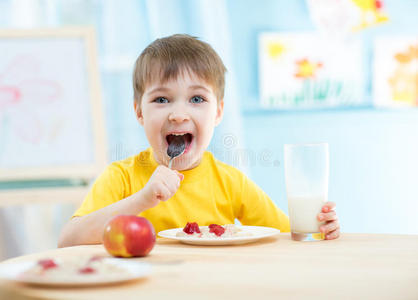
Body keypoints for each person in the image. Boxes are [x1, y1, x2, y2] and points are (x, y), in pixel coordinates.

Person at [58, 34, 340, 247]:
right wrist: (142, 200)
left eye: (196, 99)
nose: (179, 115)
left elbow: (286, 237)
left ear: (217, 112)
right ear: (138, 112)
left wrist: (321, 228)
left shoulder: (230, 183)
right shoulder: (121, 178)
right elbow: (68, 242)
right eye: (161, 99)